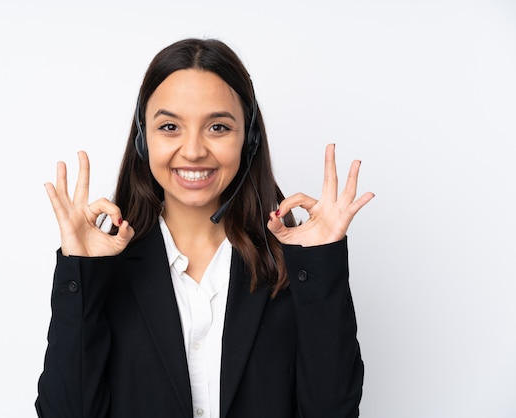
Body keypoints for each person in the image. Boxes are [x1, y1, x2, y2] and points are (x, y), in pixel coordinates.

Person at [35, 38, 374, 418]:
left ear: (249, 138)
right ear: (143, 139)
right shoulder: (105, 268)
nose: (194, 150)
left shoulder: (290, 267)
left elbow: (333, 411)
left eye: (217, 126)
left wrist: (319, 265)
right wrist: (81, 272)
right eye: (169, 126)